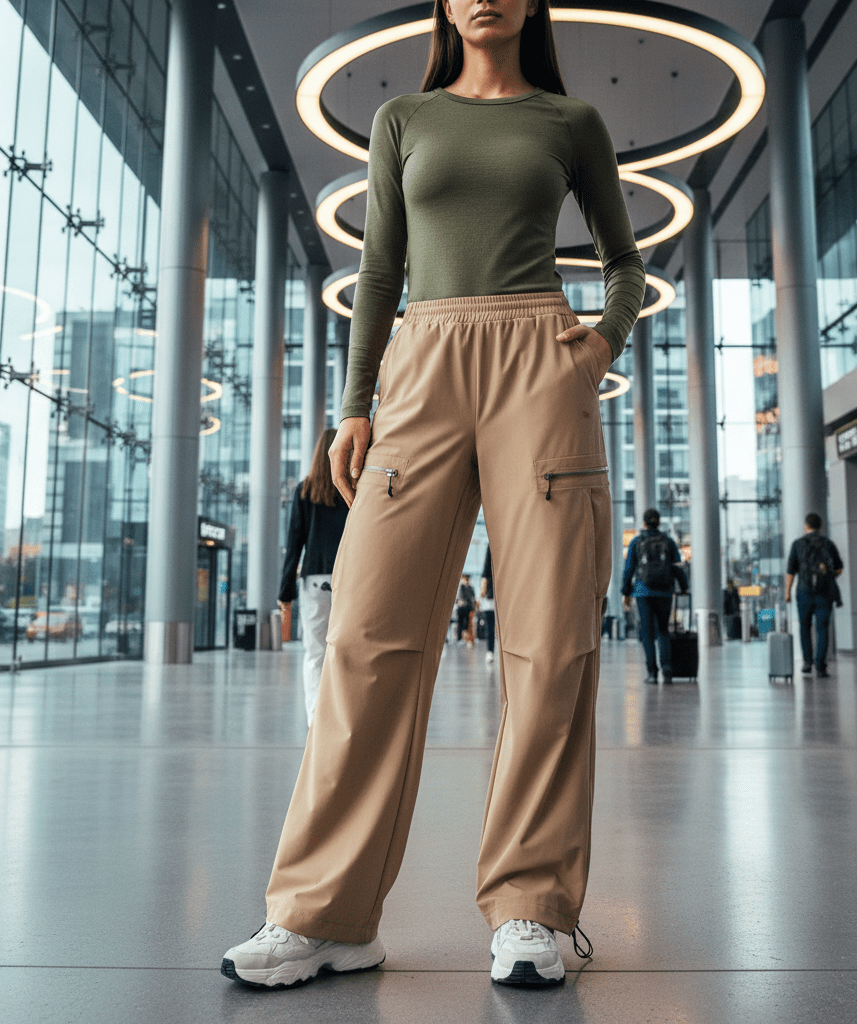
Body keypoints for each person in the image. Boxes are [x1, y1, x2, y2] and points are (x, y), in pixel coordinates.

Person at [222, 0, 644, 991]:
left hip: (539, 364)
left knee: (546, 643)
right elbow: (378, 267)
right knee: (367, 636)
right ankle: (324, 915)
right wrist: (354, 402)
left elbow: (625, 262)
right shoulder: (404, 120)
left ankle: (533, 910)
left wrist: (593, 351)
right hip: (419, 364)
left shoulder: (568, 120)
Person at [277, 428, 349, 723]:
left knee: (315, 652)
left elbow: (294, 543)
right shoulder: (352, 488)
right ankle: (344, 717)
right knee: (346, 651)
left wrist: (285, 592)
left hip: (314, 581)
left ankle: (316, 719)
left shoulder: (304, 491)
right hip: (349, 577)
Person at [621, 508, 687, 685]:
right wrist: (684, 587)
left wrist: (625, 591)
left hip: (643, 592)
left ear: (644, 523)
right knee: (663, 630)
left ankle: (652, 672)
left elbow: (629, 569)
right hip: (665, 591)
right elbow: (678, 567)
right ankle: (667, 667)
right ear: (659, 522)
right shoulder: (668, 541)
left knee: (647, 633)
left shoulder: (637, 542)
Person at [784, 512, 843, 678]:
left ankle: (807, 662)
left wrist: (787, 592)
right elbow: (838, 568)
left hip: (804, 591)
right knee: (822, 628)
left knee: (804, 627)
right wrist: (827, 576)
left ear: (806, 526)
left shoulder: (797, 544)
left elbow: (790, 571)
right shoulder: (828, 544)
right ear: (820, 526)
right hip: (824, 593)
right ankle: (821, 666)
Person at [480, 544, 496, 664]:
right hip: (499, 593)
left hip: (491, 595)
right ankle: (491, 651)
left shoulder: (491, 543)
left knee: (490, 626)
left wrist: (483, 590)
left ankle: (490, 652)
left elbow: (486, 571)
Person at [456, 573, 476, 643]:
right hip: (461, 608)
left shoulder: (470, 588)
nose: (467, 580)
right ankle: (459, 639)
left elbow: (473, 598)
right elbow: (460, 598)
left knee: (467, 624)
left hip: (468, 608)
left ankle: (467, 639)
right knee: (460, 624)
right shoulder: (461, 587)